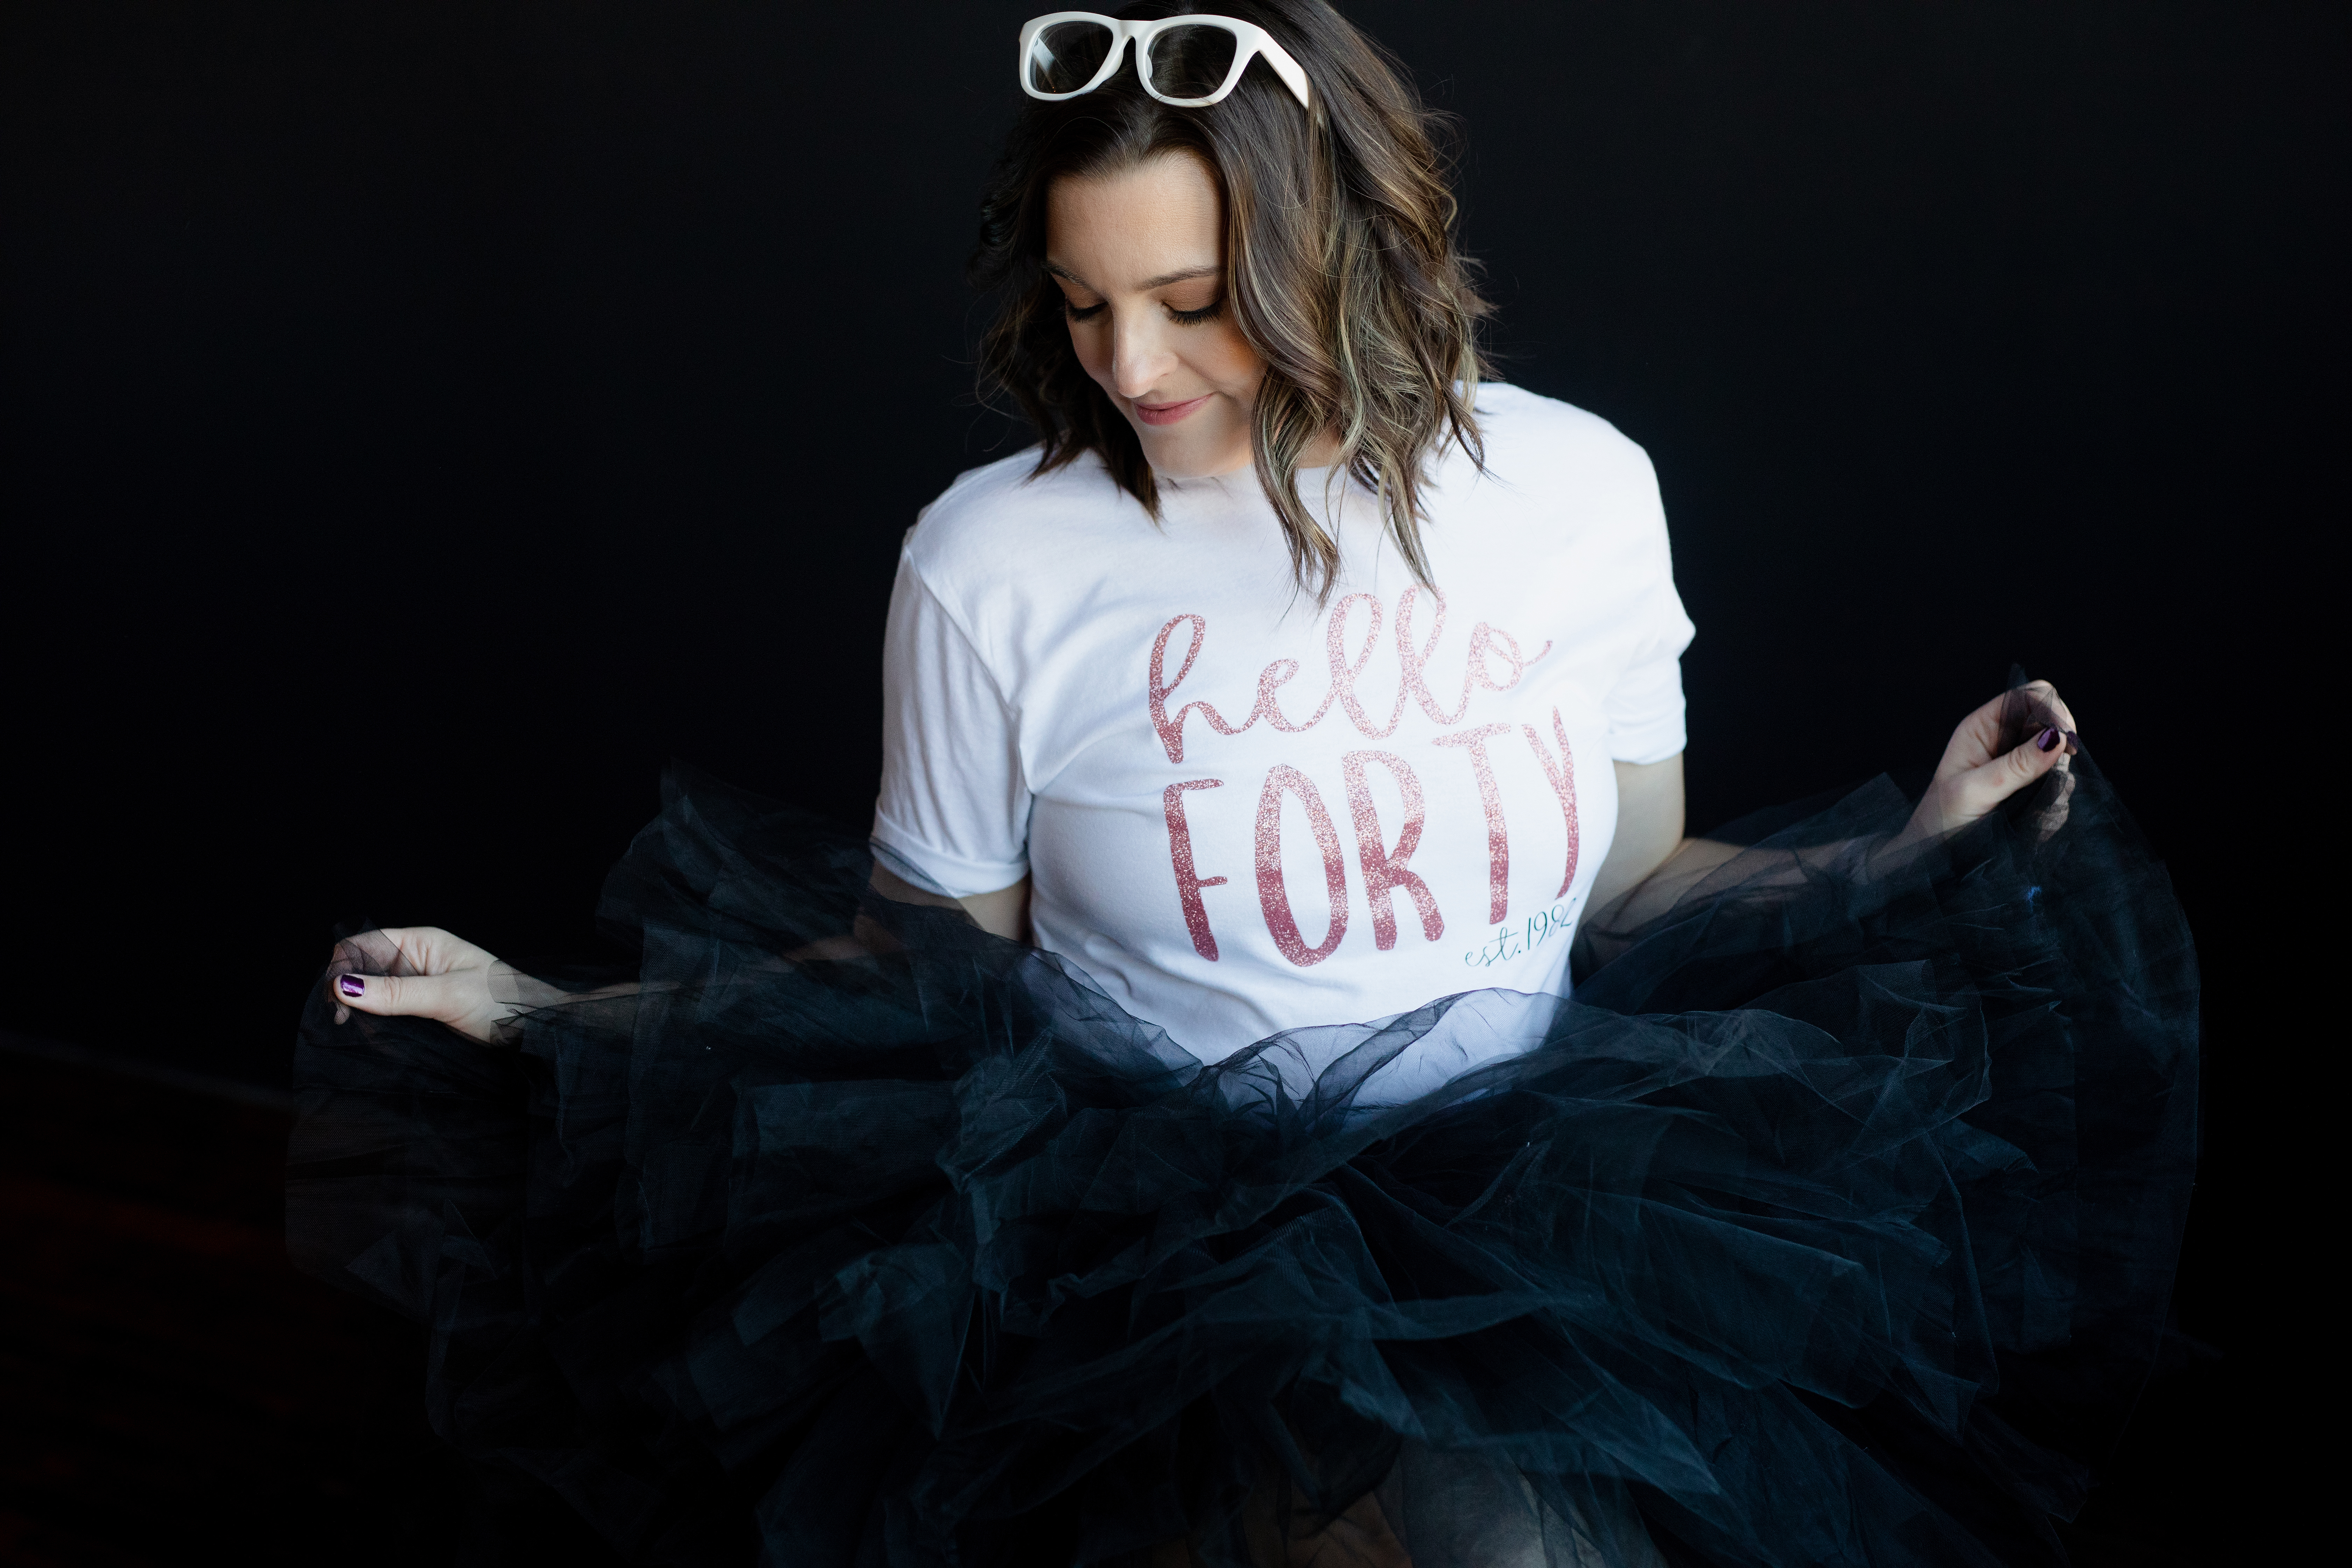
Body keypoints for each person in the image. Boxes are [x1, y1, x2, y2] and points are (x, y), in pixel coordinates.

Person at [289, 5, 2197, 1565]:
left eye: (1193, 297)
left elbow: (1641, 887)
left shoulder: (1578, 494)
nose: (1126, 363)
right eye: (1084, 299)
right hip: (1140, 1264)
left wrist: (1909, 855)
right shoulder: (993, 562)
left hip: (1538, 1229)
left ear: (1343, 244)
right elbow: (917, 976)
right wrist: (555, 1018)